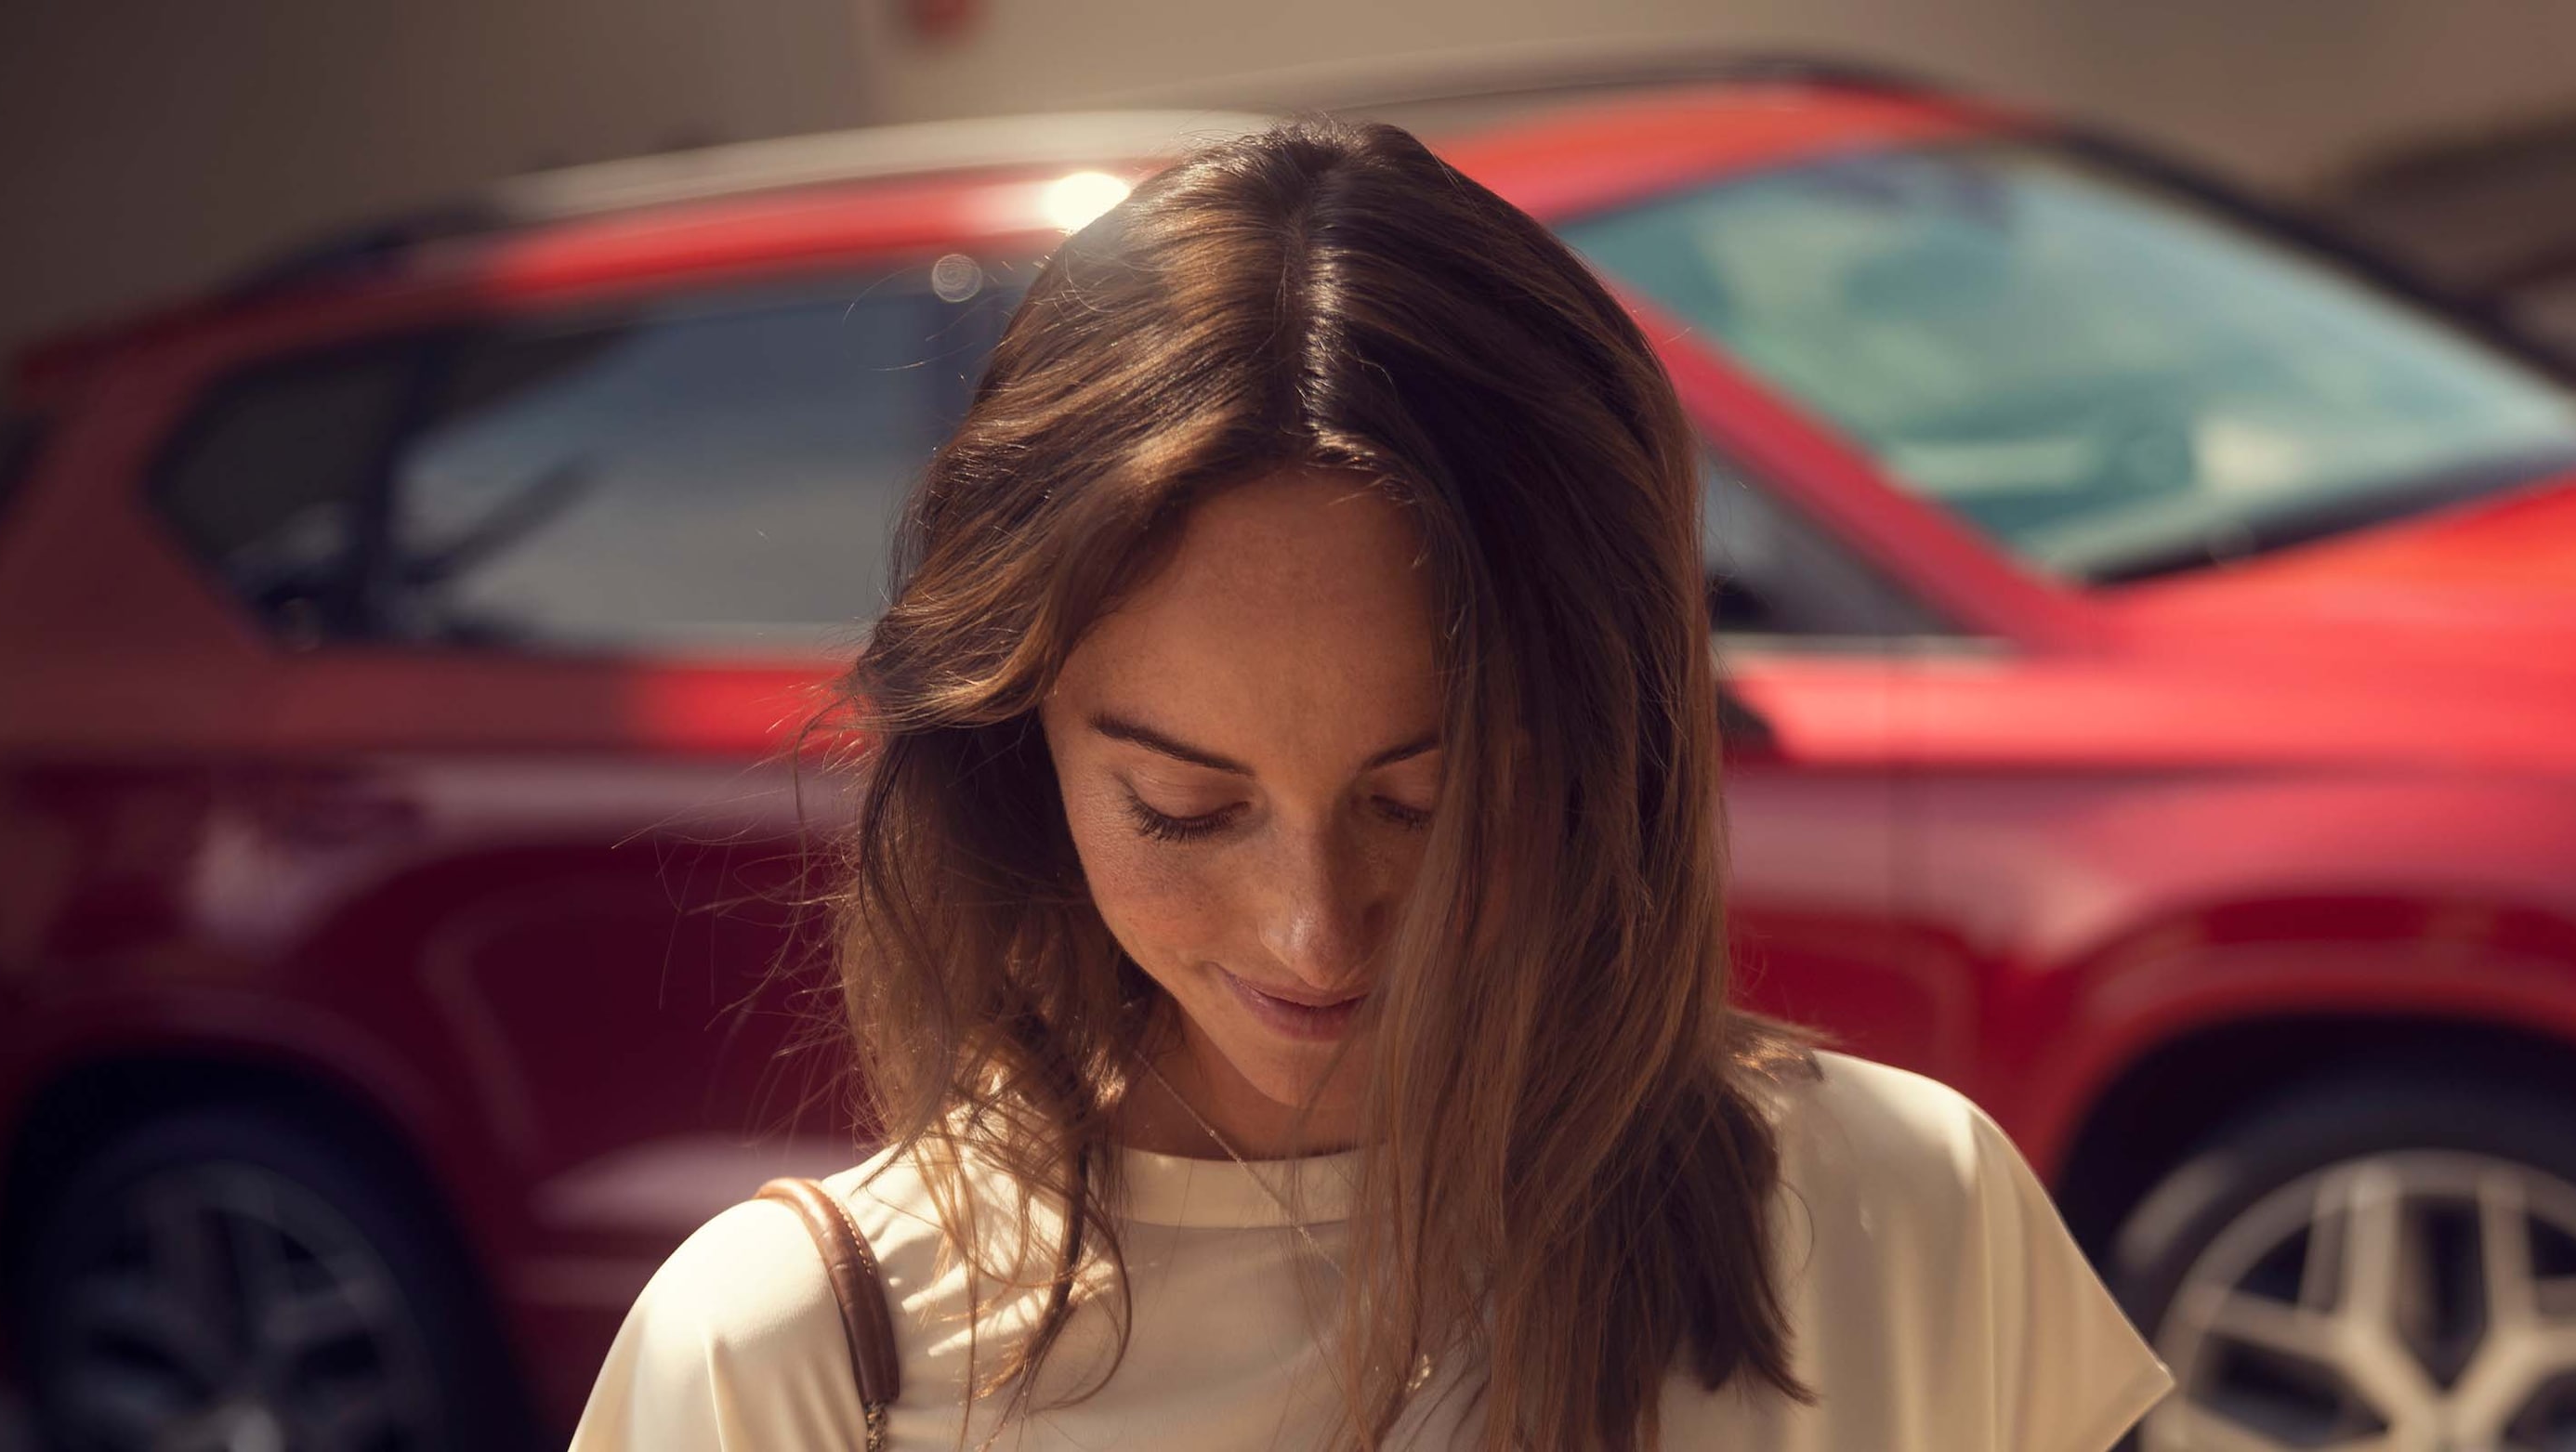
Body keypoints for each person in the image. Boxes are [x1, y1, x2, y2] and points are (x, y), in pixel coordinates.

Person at [570, 118, 2168, 1452]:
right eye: (1185, 810)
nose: (1317, 932)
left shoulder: (1898, 1221)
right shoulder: (795, 1368)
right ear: (1017, 747)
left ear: (1609, 753)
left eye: (1428, 803)